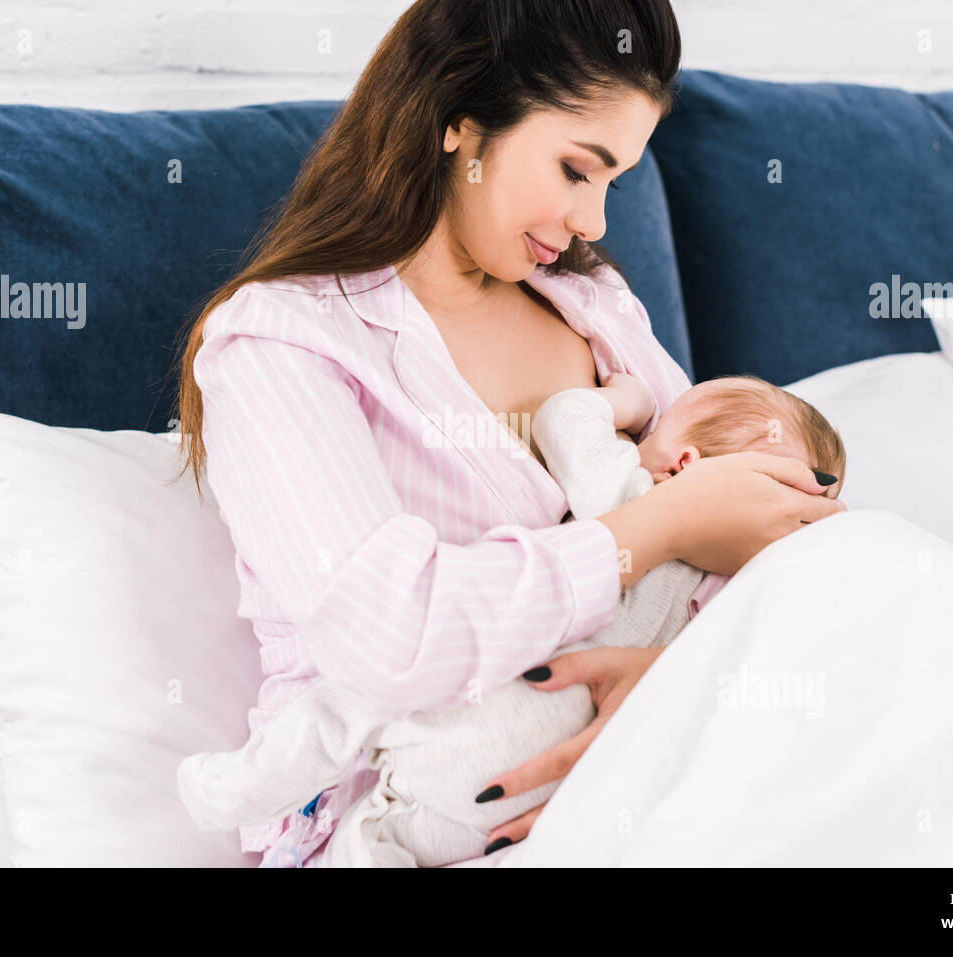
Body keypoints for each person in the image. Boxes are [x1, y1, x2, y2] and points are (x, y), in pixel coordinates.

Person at [171, 0, 846, 866]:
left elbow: (752, 551)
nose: (596, 222)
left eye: (614, 181)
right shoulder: (283, 346)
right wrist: (656, 528)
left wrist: (671, 691)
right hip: (405, 826)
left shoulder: (596, 308)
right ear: (460, 120)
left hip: (648, 786)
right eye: (575, 169)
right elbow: (391, 638)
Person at [176, 372, 847, 866]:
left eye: (658, 430)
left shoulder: (635, 495)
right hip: (547, 801)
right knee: (383, 831)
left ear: (687, 464)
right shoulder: (735, 592)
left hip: (480, 720)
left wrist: (628, 403)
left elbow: (563, 416)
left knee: (353, 700)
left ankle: (234, 787)